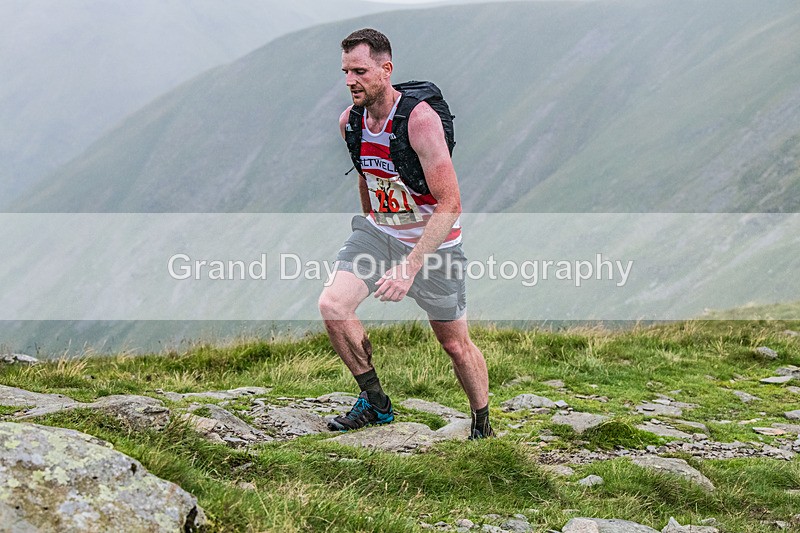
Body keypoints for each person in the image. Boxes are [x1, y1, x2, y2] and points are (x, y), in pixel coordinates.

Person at [318, 28, 494, 439]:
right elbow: (367, 177)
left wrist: (409, 266)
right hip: (380, 234)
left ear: (386, 69)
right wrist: (368, 228)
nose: (350, 81)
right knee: (333, 305)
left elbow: (450, 204)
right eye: (345, 71)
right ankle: (376, 404)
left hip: (434, 246)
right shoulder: (350, 122)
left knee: (455, 346)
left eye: (359, 70)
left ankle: (482, 425)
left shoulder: (420, 121)